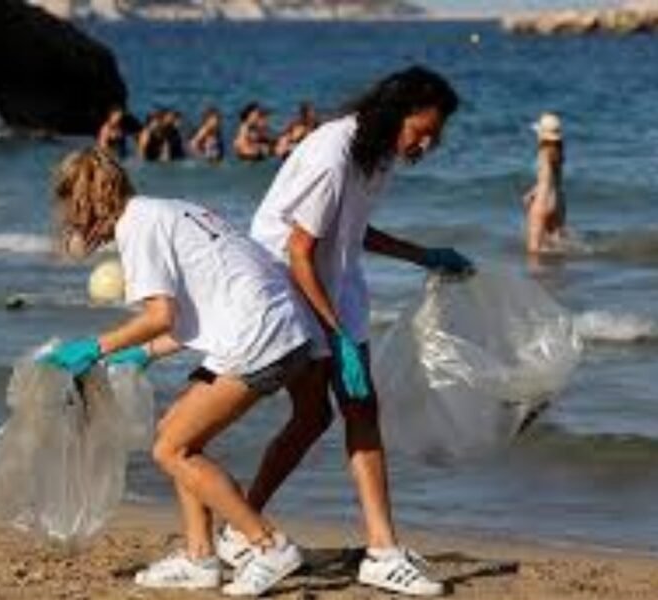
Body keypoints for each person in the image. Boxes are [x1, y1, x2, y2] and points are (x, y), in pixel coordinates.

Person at [224, 65, 474, 597]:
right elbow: (298, 250)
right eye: (422, 132)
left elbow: (352, 230)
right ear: (396, 113)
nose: (427, 145)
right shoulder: (332, 155)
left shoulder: (375, 153)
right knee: (330, 410)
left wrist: (422, 255)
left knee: (340, 411)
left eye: (435, 137)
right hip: (286, 285)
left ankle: (362, 546)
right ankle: (372, 549)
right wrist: (337, 337)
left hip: (333, 280)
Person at [42, 147, 310, 596]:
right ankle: (200, 557)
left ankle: (267, 545)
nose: (69, 220)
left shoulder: (136, 228)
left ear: (83, 201)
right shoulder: (164, 210)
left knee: (173, 450)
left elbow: (160, 316)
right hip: (278, 325)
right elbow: (197, 311)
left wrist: (95, 347)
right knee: (177, 432)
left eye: (70, 208)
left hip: (259, 336)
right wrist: (144, 353)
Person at [523, 112, 566, 254]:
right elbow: (555, 179)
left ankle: (536, 269)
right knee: (557, 247)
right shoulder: (559, 153)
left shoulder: (543, 152)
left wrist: (530, 194)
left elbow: (544, 180)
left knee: (533, 251)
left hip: (542, 201)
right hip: (558, 202)